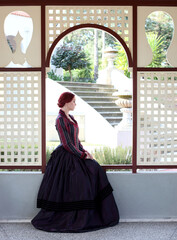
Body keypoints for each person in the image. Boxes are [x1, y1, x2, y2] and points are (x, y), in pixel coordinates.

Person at [31, 91, 119, 232]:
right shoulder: (60, 119)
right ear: (66, 102)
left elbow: (76, 140)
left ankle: (100, 213)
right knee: (77, 182)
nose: (75, 104)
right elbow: (66, 143)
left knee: (95, 168)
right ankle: (73, 216)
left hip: (76, 152)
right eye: (73, 101)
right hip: (65, 157)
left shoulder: (70, 117)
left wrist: (85, 151)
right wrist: (82, 156)